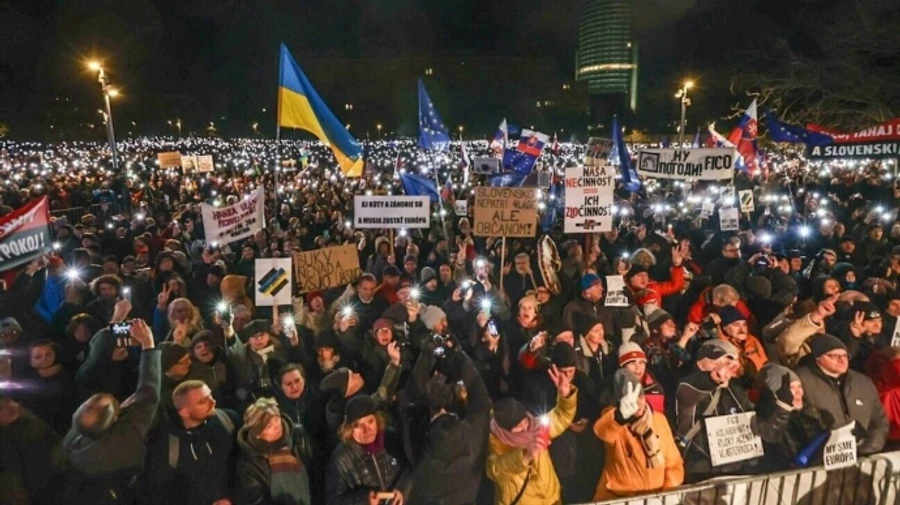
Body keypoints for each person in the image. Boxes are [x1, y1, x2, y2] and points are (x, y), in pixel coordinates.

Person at [63, 319, 160, 505]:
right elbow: (149, 393)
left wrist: (121, 409)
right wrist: (148, 345)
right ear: (114, 420)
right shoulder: (125, 440)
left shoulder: (74, 437)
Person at [407, 345, 492, 505]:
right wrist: (461, 356)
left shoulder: (419, 452)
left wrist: (425, 355)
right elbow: (480, 397)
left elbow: (406, 404)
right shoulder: (473, 437)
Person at [485, 364, 577, 505]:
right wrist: (525, 455)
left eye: (524, 422)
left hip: (553, 500)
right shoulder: (495, 445)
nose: (524, 428)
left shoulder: (535, 427)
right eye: (517, 427)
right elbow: (496, 469)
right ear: (504, 431)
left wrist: (565, 395)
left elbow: (561, 417)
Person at [592, 369, 683, 500]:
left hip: (656, 498)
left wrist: (666, 495)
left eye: (640, 397)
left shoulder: (659, 419)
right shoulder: (614, 420)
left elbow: (674, 463)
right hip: (621, 499)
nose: (638, 404)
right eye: (632, 399)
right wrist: (620, 416)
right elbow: (601, 431)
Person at [794, 333, 889, 455]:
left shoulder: (863, 382)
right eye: (834, 356)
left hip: (861, 459)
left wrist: (869, 448)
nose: (842, 360)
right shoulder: (800, 381)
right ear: (818, 358)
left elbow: (879, 420)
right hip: (818, 462)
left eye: (845, 355)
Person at [149, 380, 240, 505]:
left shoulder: (229, 421)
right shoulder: (168, 444)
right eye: (203, 401)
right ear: (184, 412)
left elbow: (244, 467)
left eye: (211, 396)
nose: (213, 402)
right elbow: (163, 491)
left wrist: (231, 498)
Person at [325, 395, 411, 505]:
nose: (367, 430)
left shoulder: (391, 440)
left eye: (370, 421)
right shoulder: (341, 459)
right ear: (350, 429)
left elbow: (410, 468)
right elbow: (333, 501)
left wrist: (402, 489)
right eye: (358, 425)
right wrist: (364, 499)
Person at [235, 398, 312, 505]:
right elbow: (256, 500)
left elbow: (314, 472)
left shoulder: (298, 436)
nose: (277, 427)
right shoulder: (248, 463)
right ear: (257, 434)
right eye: (269, 426)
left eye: (276, 420)